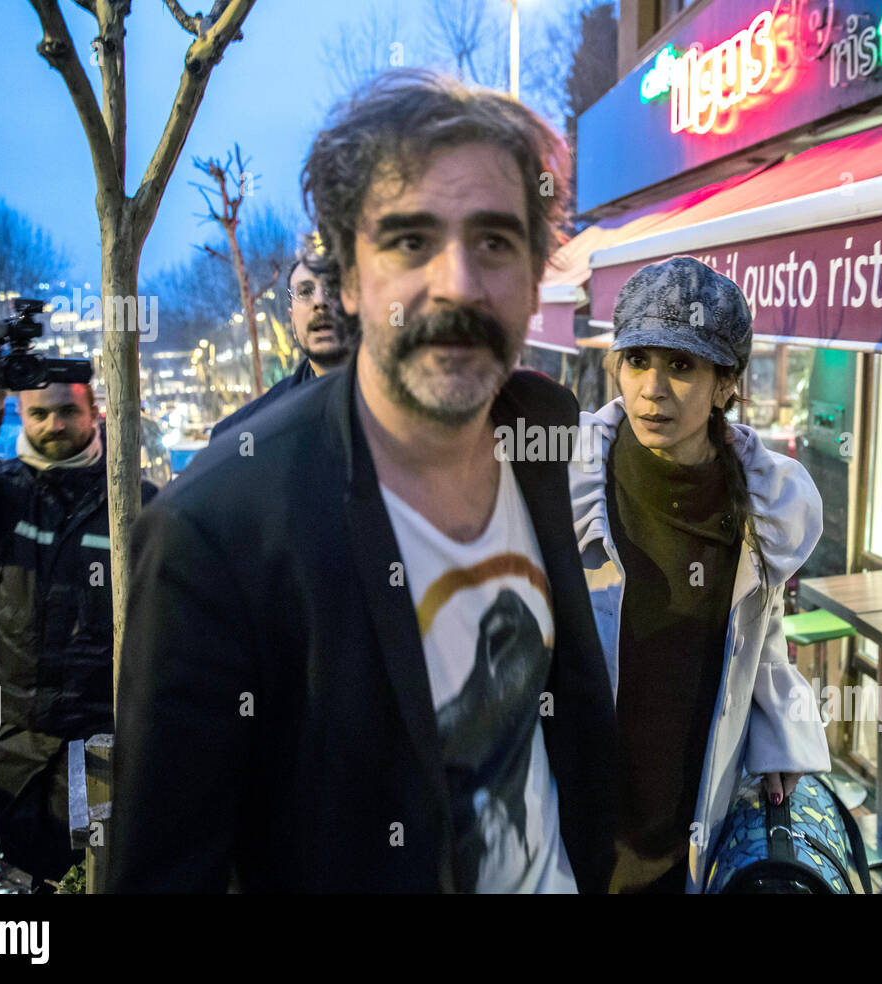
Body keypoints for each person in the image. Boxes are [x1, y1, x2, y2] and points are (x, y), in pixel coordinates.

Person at [109, 70, 618, 893]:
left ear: (533, 277)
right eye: (410, 240)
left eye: (494, 240)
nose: (457, 282)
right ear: (349, 280)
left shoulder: (544, 426)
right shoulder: (218, 530)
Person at [569, 255, 830, 894]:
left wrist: (780, 742)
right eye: (637, 361)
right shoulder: (568, 481)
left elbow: (761, 638)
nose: (652, 389)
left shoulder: (764, 500)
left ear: (725, 384)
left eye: (681, 366)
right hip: (578, 815)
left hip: (691, 813)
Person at [0, 327, 157, 890]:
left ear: (93, 411)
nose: (54, 426)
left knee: (103, 865)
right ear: (23, 415)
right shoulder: (2, 495)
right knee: (30, 868)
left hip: (100, 740)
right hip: (16, 744)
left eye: (68, 412)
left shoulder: (133, 503)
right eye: (39, 414)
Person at [210, 245, 358, 441]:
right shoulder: (244, 433)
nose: (320, 302)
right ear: (292, 320)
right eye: (305, 291)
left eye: (333, 287)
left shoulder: (406, 406)